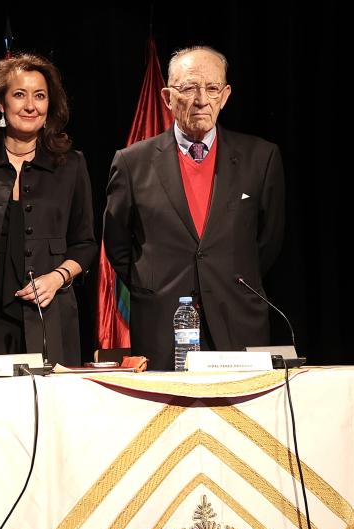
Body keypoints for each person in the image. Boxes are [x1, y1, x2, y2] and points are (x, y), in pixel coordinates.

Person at [103, 46, 285, 370]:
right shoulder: (131, 162)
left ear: (225, 95)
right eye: (189, 87)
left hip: (237, 321)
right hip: (162, 326)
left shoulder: (261, 158)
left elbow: (267, 241)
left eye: (212, 88)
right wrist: (153, 285)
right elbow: (118, 244)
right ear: (167, 97)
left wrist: (229, 277)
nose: (202, 99)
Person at [0, 53, 96, 366]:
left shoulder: (71, 165)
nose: (30, 106)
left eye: (40, 96)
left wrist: (56, 278)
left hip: (49, 314)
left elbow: (85, 244)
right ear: (1, 103)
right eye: (19, 95)